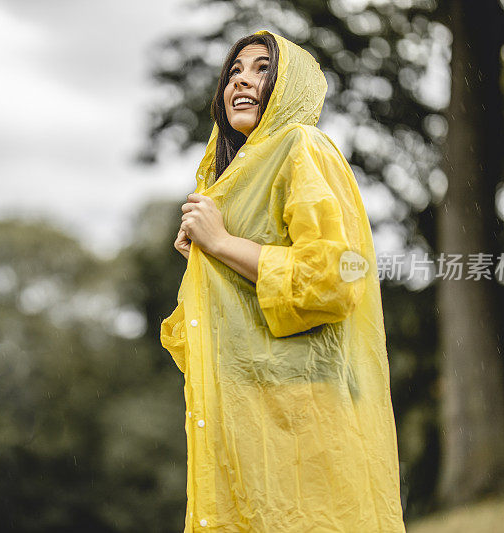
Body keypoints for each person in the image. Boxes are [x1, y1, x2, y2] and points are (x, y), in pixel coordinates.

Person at [160, 30, 407, 532]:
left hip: (303, 419)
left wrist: (224, 244)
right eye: (234, 72)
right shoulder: (227, 180)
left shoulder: (303, 146)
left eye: (261, 70)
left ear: (289, 87)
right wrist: (206, 261)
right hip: (247, 422)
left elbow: (336, 278)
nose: (242, 81)